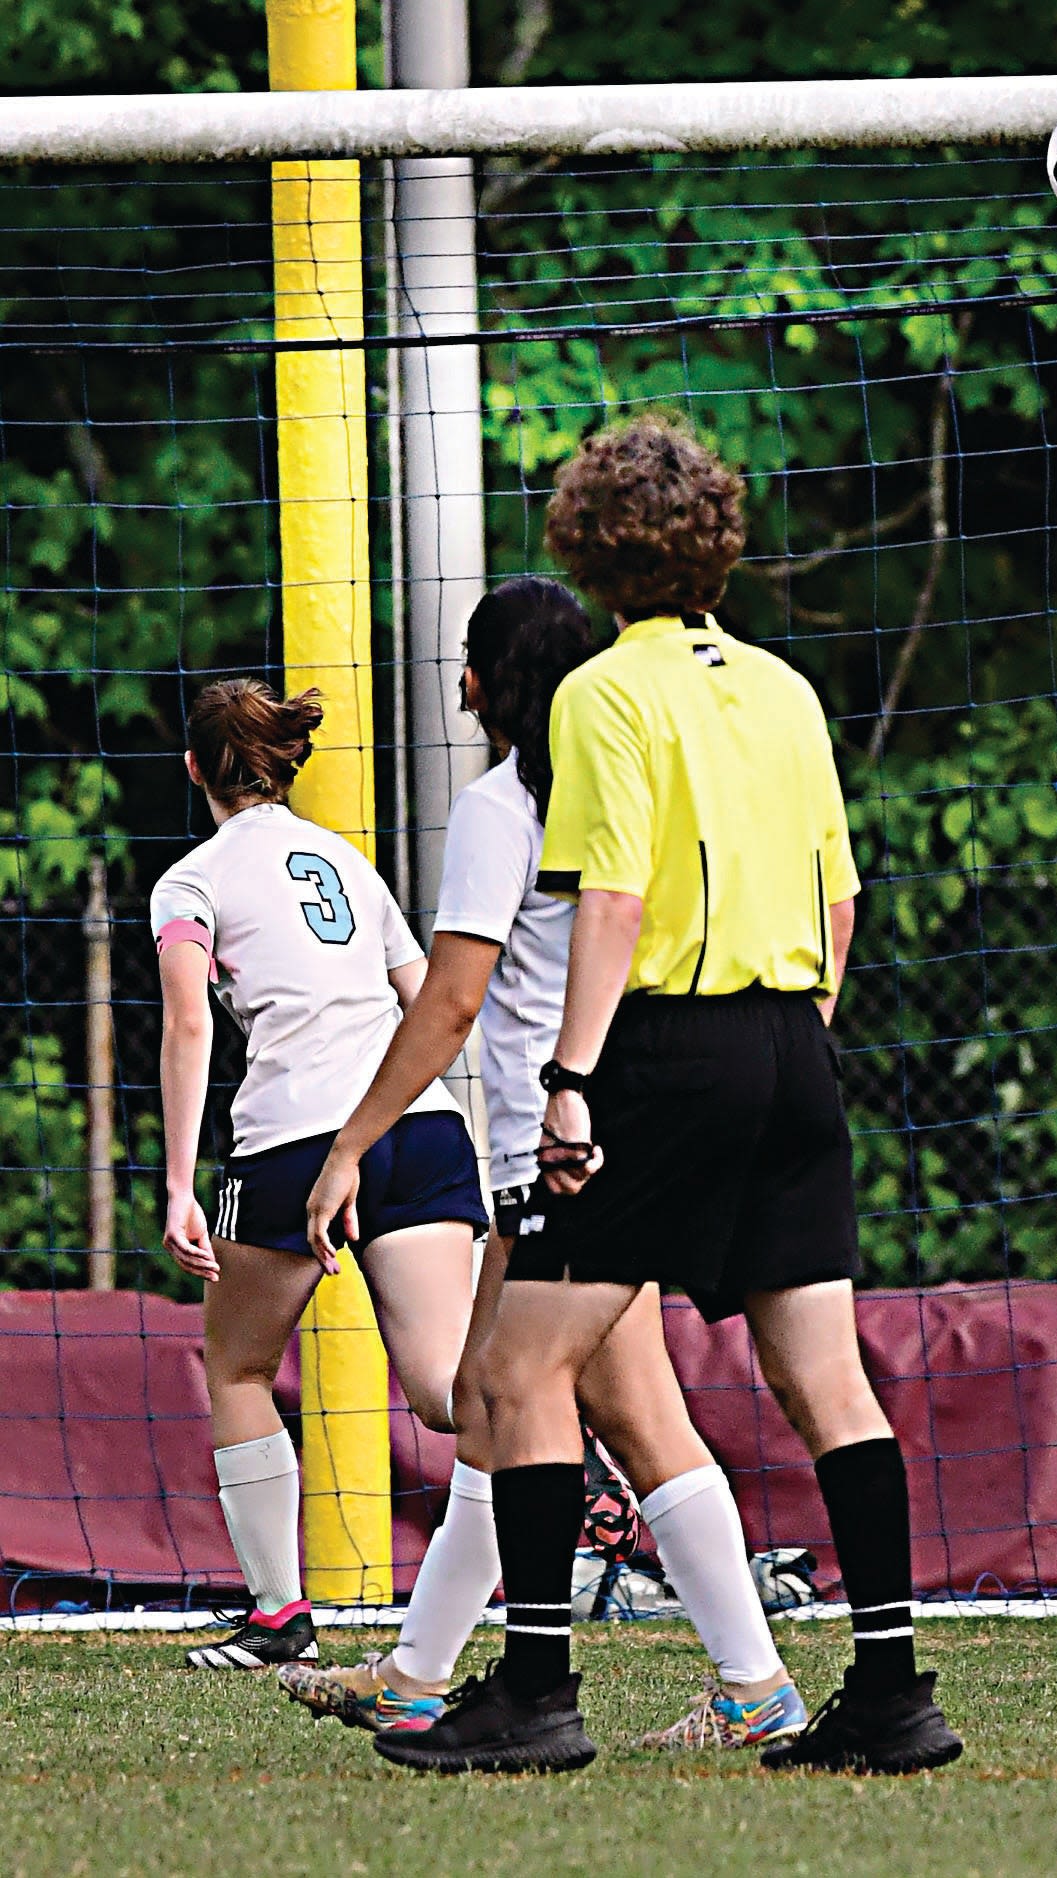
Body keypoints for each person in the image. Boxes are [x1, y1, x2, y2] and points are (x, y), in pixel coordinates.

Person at [381, 416, 962, 1777]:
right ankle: (889, 1690)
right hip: (792, 1043)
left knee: (519, 1367)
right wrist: (794, 1041)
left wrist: (574, 1079)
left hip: (667, 1048)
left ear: (589, 544)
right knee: (827, 1377)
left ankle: (532, 1690)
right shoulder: (782, 688)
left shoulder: (597, 695)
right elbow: (843, 893)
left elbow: (617, 900)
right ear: (719, 543)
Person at [281, 577, 808, 1751]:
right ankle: (450, 1670)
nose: (457, 680)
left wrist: (352, 1144)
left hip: (556, 1146)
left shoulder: (498, 809)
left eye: (468, 660)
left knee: (514, 1393)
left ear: (490, 679)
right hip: (646, 1124)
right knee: (600, 1402)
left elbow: (455, 997)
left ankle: (525, 1687)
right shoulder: (635, 790)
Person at [152, 680, 489, 1671]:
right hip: (419, 1131)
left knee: (239, 1367)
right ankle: (587, 1476)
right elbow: (426, 1003)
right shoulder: (352, 863)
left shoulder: (193, 882)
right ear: (280, 764)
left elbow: (187, 1022)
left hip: (292, 1145)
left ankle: (277, 1619)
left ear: (194, 771)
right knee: (444, 1387)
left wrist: (180, 1187)